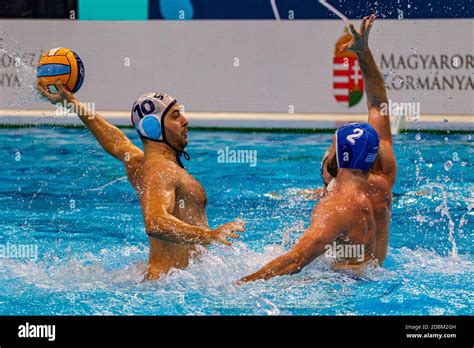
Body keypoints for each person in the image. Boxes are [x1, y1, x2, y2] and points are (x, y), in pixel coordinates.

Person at [240, 14, 396, 282]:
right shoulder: (383, 179)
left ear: (341, 157)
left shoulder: (335, 207)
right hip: (375, 275)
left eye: (331, 145)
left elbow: (296, 260)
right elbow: (377, 103)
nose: (328, 149)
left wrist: (238, 285)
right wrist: (364, 54)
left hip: (339, 287)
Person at [37, 82, 245, 280]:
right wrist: (209, 235)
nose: (184, 120)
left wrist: (72, 103)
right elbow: (155, 222)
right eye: (175, 116)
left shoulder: (140, 163)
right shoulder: (160, 170)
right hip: (169, 286)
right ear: (153, 127)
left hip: (163, 280)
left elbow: (117, 142)